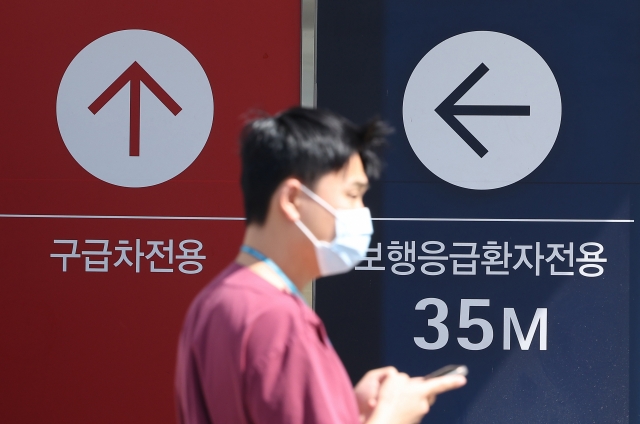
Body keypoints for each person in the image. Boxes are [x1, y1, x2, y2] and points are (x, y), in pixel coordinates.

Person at [175, 107, 466, 424]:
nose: (361, 212)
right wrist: (393, 415)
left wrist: (342, 404)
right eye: (352, 194)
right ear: (292, 200)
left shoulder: (214, 302)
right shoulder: (279, 320)